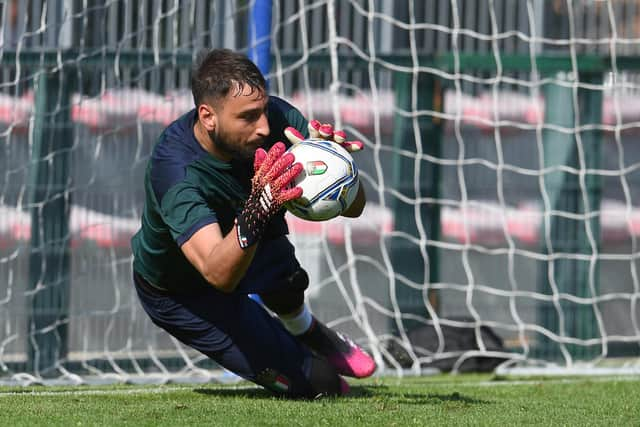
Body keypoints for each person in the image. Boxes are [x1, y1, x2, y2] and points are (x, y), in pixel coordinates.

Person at [130, 48, 375, 399]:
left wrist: (340, 171)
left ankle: (307, 328)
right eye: (247, 117)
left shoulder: (277, 119)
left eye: (263, 110)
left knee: (289, 280)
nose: (263, 126)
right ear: (207, 116)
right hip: (182, 291)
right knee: (315, 384)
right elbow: (218, 274)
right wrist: (257, 208)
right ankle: (306, 358)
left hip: (249, 239)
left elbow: (354, 209)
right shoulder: (177, 172)